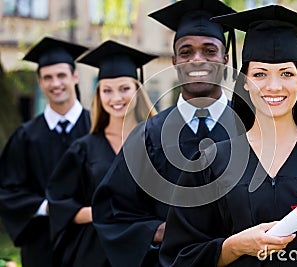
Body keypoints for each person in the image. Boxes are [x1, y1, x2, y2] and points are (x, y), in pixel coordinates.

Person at [160, 5, 297, 267]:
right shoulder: (210, 162)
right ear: (244, 80)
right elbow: (179, 257)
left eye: (287, 74)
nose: (274, 86)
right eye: (259, 74)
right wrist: (233, 246)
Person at [91, 0, 238, 266]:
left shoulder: (249, 129)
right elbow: (113, 212)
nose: (197, 60)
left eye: (209, 50)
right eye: (186, 52)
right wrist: (164, 232)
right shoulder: (146, 136)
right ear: (174, 62)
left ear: (225, 60)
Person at [46, 40, 157, 267]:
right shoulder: (84, 148)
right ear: (99, 95)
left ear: (137, 90)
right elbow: (60, 204)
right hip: (95, 252)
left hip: (149, 252)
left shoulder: (158, 143)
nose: (116, 98)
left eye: (124, 89)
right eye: (107, 90)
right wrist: (104, 216)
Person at [0, 37, 90, 267]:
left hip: (91, 242)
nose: (55, 83)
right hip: (42, 245)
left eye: (61, 75)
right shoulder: (25, 136)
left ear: (75, 77)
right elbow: (8, 190)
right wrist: (48, 207)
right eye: (48, 77)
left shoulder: (98, 128)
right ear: (40, 82)